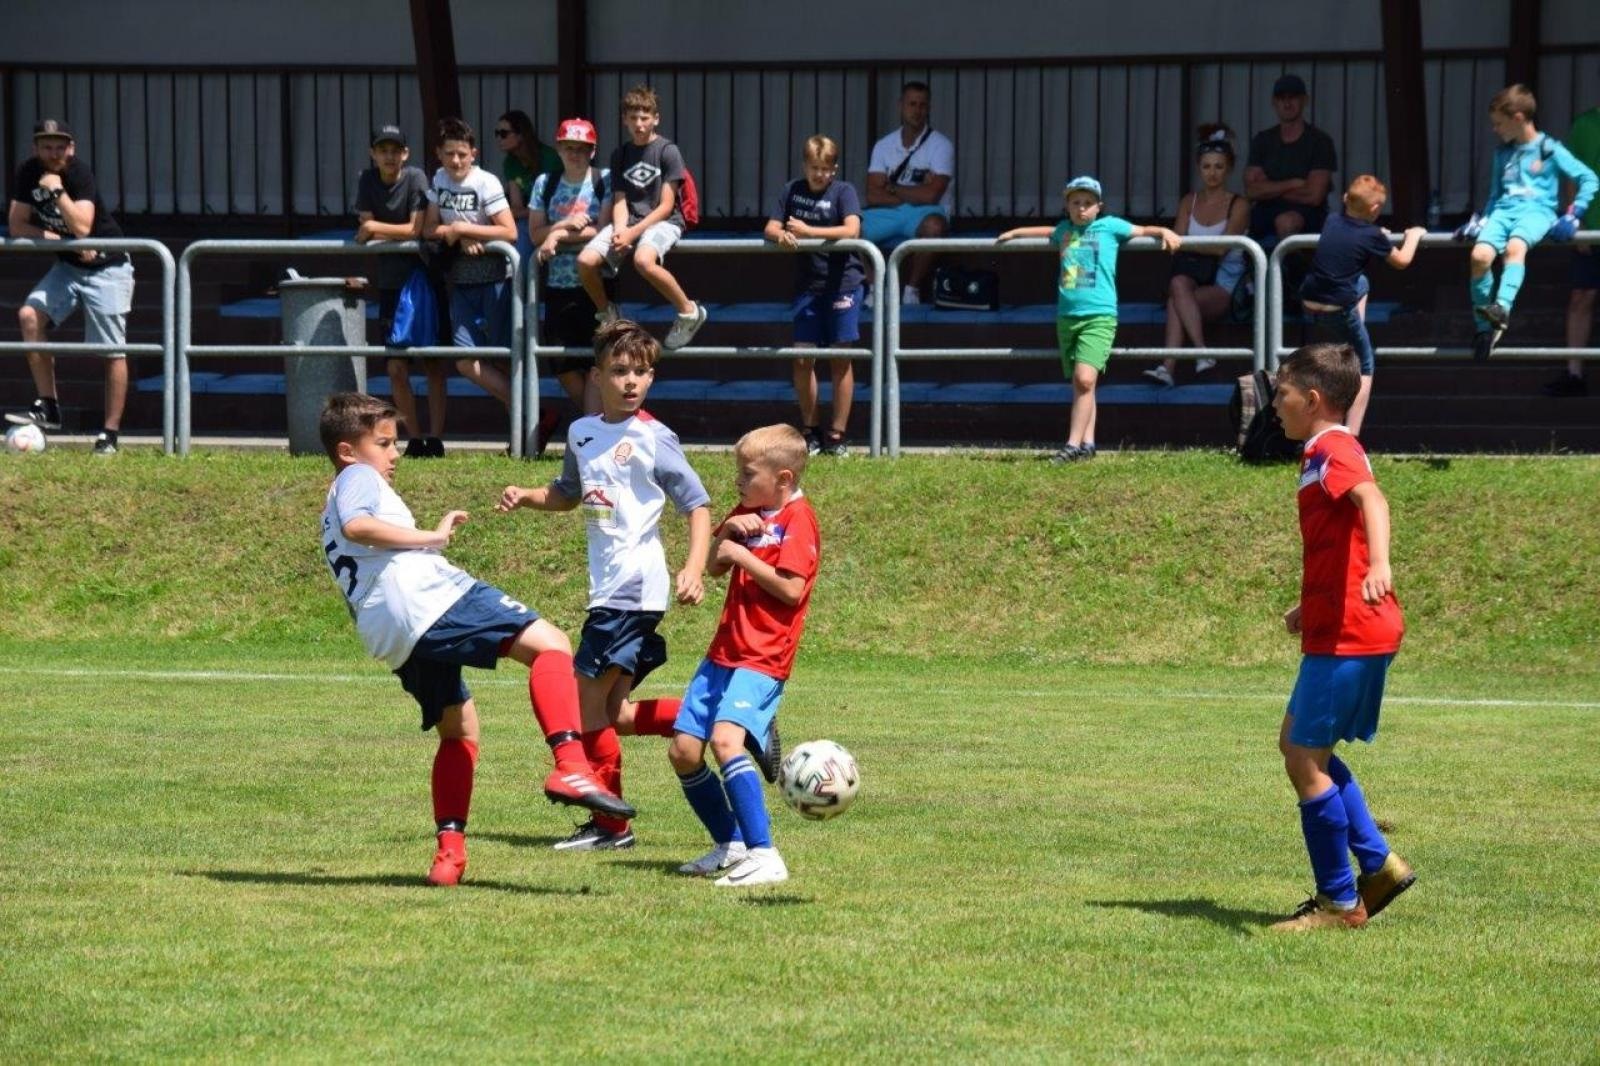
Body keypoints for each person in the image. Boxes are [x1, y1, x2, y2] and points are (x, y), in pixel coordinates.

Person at [316, 392, 632, 886]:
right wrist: (430, 538)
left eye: (394, 443)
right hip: (420, 596)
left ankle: (449, 857)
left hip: (386, 629)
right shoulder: (357, 478)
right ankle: (571, 765)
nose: (394, 454)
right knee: (550, 644)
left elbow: (350, 537)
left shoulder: (330, 503)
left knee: (459, 731)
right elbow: (360, 526)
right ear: (347, 451)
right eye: (383, 443)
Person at [495, 320, 712, 851]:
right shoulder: (582, 433)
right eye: (619, 371)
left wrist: (693, 566)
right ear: (597, 376)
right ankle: (721, 720)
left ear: (651, 379)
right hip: (609, 590)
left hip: (633, 590)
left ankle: (611, 826)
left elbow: (697, 503)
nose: (631, 381)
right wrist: (528, 493)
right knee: (613, 714)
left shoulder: (653, 438)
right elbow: (569, 493)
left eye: (641, 372)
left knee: (583, 704)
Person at [1265, 342, 1413, 932]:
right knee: (1298, 747)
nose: (1275, 403)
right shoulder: (1322, 451)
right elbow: (1340, 535)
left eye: (1282, 393)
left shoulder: (1331, 447)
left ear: (1314, 398)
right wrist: (1313, 601)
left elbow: (1371, 501)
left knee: (1305, 758)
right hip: (1339, 622)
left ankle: (1338, 902)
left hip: (1354, 629)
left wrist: (1380, 565)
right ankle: (1379, 866)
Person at [668, 424, 820, 887]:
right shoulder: (749, 511)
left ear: (784, 478)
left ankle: (765, 854)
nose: (738, 481)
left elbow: (792, 591)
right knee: (683, 751)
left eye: (747, 473)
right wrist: (727, 535)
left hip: (763, 657)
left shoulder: (799, 521)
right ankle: (730, 843)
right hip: (724, 651)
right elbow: (716, 567)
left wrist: (742, 553)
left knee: (726, 741)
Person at [997, 176, 1180, 462]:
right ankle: (1088, 444)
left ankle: (1071, 446)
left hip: (1099, 316)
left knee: (1085, 379)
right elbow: (1044, 230)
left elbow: (1142, 229)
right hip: (1067, 316)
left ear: (1099, 207)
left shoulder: (1110, 227)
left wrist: (1165, 231)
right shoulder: (1064, 230)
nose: (1082, 208)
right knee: (1083, 385)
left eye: (1088, 203)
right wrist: (1016, 232)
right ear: (1067, 206)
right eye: (1076, 203)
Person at [4, 119, 135, 455]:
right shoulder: (27, 171)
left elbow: (82, 225)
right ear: (36, 148)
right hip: (68, 265)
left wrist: (56, 190)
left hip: (108, 266)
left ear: (71, 148)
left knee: (111, 350)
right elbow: (18, 224)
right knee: (29, 316)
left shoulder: (79, 174)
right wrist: (63, 240)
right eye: (46, 146)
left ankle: (109, 434)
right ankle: (48, 404)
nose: (53, 153)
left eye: (60, 146)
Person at [1455, 84, 1598, 361]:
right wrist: (1482, 220)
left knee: (1514, 249)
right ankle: (1485, 328)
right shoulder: (1502, 153)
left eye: (1499, 123)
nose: (1495, 129)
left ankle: (1502, 308)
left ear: (1518, 118)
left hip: (1537, 212)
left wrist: (1573, 213)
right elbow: (1495, 195)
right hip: (1503, 212)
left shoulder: (1549, 149)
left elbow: (1588, 178)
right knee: (1480, 256)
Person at [577, 84, 707, 351]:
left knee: (643, 261)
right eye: (633, 117)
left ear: (655, 118)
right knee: (585, 261)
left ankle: (689, 312)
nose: (639, 123)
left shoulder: (668, 151)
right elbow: (620, 199)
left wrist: (632, 235)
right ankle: (608, 313)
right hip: (629, 222)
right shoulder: (620, 155)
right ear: (624, 119)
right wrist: (621, 230)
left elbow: (666, 205)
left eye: (645, 117)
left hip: (665, 221)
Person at [1298, 175, 1426, 437]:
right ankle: (1350, 435)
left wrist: (1377, 234)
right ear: (1375, 210)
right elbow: (1402, 260)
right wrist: (1413, 235)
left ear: (1345, 199)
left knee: (1362, 282)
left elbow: (1354, 235)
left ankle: (1353, 335)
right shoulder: (1371, 235)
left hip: (1309, 304)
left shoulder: (1332, 220)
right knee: (1363, 365)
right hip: (1337, 309)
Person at [354, 123, 450, 458]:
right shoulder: (367, 180)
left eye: (395, 150)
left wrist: (373, 227)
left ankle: (436, 438)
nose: (390, 156)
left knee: (434, 362)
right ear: (373, 154)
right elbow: (366, 229)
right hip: (390, 284)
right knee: (395, 366)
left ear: (405, 154)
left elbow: (415, 228)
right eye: (383, 150)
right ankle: (415, 437)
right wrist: (375, 230)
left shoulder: (416, 179)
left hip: (423, 280)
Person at [764, 134, 864, 457]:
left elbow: (852, 231)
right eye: (814, 167)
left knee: (840, 360)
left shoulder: (844, 192)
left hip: (842, 285)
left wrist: (809, 232)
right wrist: (780, 235)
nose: (819, 174)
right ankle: (810, 431)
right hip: (807, 288)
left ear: (834, 169)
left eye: (825, 168)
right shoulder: (792, 190)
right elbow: (770, 227)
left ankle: (837, 435)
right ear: (805, 166)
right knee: (803, 359)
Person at [422, 117, 519, 416]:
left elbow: (509, 232)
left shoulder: (485, 181)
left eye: (462, 154)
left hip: (494, 280)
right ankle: (533, 414)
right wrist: (457, 233)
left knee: (502, 357)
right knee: (465, 360)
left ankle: (523, 432)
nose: (456, 160)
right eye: (449, 153)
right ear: (439, 153)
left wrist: (465, 231)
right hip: (461, 281)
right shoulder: (439, 178)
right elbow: (429, 229)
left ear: (473, 154)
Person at [1144, 125, 1251, 387]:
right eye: (1206, 167)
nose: (1212, 173)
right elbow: (1176, 243)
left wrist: (1189, 242)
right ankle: (1200, 353)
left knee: (1175, 300)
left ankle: (1169, 367)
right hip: (1193, 275)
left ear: (1229, 168)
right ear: (1198, 168)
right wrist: (1190, 244)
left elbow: (1220, 249)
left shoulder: (1240, 204)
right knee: (1178, 286)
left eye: (1219, 166)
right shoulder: (1188, 201)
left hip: (1225, 283)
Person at [528, 117, 612, 444]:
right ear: (559, 149)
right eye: (568, 148)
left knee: (594, 360)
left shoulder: (604, 180)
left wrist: (557, 236)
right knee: (562, 363)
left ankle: (595, 437)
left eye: (581, 149)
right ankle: (601, 429)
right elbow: (536, 233)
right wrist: (565, 225)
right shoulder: (544, 183)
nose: (574, 155)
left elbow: (604, 229)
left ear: (593, 151)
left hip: (595, 283)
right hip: (557, 285)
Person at [861, 81, 954, 305]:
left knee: (934, 227)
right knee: (846, 225)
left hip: (925, 212)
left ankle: (911, 291)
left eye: (923, 105)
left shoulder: (941, 145)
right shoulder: (884, 145)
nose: (917, 110)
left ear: (929, 108)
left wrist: (891, 187)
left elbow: (932, 197)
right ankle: (874, 289)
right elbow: (872, 195)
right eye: (912, 104)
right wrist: (917, 190)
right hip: (889, 212)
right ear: (901, 106)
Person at [1245, 75, 1337, 245]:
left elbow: (1314, 195)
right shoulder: (1262, 140)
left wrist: (1270, 188)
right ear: (1274, 102)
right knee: (1239, 214)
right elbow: (1252, 191)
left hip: (1308, 214)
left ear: (1305, 100)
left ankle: (1287, 271)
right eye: (1281, 98)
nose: (1287, 103)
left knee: (1286, 222)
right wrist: (1294, 183)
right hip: (1264, 212)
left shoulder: (1320, 141)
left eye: (1293, 97)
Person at [1549, 101, 1600, 397]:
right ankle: (1574, 373)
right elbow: (1570, 175)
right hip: (1591, 226)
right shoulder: (1585, 124)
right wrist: (1575, 222)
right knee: (1582, 296)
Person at [495, 109, 562, 267]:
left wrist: (529, 212)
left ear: (521, 135)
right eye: (496, 133)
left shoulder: (550, 158)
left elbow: (556, 202)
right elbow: (516, 207)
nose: (499, 138)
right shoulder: (510, 163)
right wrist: (530, 212)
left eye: (504, 133)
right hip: (531, 219)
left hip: (557, 216)